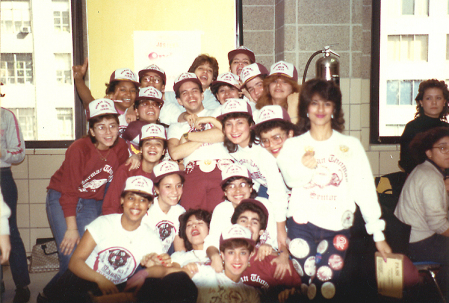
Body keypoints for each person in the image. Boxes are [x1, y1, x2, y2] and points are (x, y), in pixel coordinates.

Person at [277, 79, 391, 300]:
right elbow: (290, 180)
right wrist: (304, 167)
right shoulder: (293, 145)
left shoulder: (350, 146)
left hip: (337, 227)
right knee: (306, 287)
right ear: (306, 108)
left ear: (334, 109)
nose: (320, 109)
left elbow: (365, 190)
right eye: (315, 103)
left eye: (327, 104)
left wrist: (378, 234)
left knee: (325, 287)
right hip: (302, 226)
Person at [45, 99, 135, 289]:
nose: (108, 132)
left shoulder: (120, 149)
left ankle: (52, 293)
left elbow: (122, 177)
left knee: (87, 256)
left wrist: (136, 156)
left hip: (91, 201)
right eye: (101, 127)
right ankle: (52, 296)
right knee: (70, 254)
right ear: (92, 131)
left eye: (112, 126)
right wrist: (71, 228)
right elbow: (69, 191)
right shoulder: (79, 149)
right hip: (62, 198)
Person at [39, 176, 165, 303]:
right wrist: (100, 279)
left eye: (143, 200)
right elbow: (75, 262)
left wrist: (150, 269)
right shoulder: (103, 223)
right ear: (122, 200)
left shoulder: (151, 236)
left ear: (149, 204)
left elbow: (162, 270)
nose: (136, 204)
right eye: (131, 198)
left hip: (116, 287)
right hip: (85, 279)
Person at [219, 98, 289, 251]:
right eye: (229, 124)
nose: (234, 129)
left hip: (288, 194)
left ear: (251, 125)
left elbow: (277, 191)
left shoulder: (263, 149)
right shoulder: (234, 149)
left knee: (287, 242)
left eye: (240, 123)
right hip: (272, 192)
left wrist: (281, 230)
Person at [395, 126, 449, 300]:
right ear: (429, 153)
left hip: (407, 238)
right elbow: (438, 224)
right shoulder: (431, 178)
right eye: (442, 148)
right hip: (419, 243)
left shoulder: (425, 170)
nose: (448, 152)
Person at [167, 73, 231, 213]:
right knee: (192, 222)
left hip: (222, 171)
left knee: (222, 221)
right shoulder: (176, 126)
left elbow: (226, 134)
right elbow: (175, 153)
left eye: (195, 91)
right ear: (179, 100)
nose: (191, 96)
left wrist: (189, 137)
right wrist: (203, 135)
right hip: (193, 175)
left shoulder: (218, 112)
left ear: (202, 95)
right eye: (185, 93)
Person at [205, 163, 279, 273]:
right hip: (233, 262)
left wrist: (269, 247)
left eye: (242, 184)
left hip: (263, 261)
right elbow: (212, 242)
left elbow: (277, 237)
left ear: (251, 188)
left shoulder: (264, 204)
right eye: (231, 186)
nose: (238, 190)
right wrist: (215, 256)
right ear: (225, 192)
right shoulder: (221, 209)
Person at [233, 199, 301, 302]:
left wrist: (292, 293)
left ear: (261, 232)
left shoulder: (275, 262)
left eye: (254, 222)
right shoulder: (222, 260)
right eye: (243, 220)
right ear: (234, 227)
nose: (248, 225)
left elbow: (304, 289)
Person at [102, 123, 167, 215]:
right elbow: (110, 206)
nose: (152, 147)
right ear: (140, 149)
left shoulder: (167, 172)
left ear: (164, 151)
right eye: (147, 143)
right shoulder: (127, 169)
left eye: (158, 144)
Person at [0, 107, 30, 302]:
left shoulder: (6, 116)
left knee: (9, 229)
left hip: (2, 177)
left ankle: (22, 284)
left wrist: (1, 152)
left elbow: (19, 152)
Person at [72, 60, 140, 133]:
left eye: (132, 90)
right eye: (123, 90)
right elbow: (87, 100)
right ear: (112, 91)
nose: (128, 94)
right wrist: (79, 80)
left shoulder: (138, 112)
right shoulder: (102, 107)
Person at [399, 79, 449, 174]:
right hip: (421, 179)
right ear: (421, 102)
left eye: (438, 98)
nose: (434, 103)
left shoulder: (447, 128)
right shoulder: (412, 127)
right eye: (428, 98)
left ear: (444, 102)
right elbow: (406, 162)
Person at [144, 161, 186, 253]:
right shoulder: (146, 211)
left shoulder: (179, 211)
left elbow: (180, 249)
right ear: (157, 189)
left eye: (178, 186)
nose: (175, 192)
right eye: (168, 187)